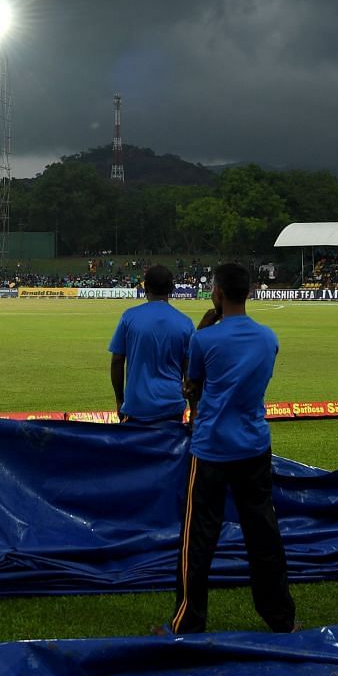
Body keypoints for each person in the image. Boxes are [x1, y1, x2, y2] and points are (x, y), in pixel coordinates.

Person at [160, 262, 296, 636]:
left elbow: (194, 386)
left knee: (198, 538)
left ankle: (188, 621)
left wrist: (205, 327)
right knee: (263, 534)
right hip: (253, 446)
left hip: (211, 450)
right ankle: (281, 618)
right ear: (248, 293)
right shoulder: (268, 338)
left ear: (217, 294)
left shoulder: (204, 339)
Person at [109, 264, 195, 425]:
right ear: (171, 288)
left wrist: (120, 400)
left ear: (146, 287)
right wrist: (195, 410)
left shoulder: (129, 317)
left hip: (137, 405)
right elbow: (189, 372)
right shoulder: (185, 323)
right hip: (172, 406)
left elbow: (117, 361)